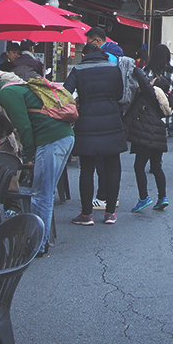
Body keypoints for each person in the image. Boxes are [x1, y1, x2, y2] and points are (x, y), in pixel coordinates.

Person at [0, 73, 74, 255]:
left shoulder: (6, 94)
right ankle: (41, 241)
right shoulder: (13, 87)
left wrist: (30, 154)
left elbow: (23, 125)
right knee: (45, 192)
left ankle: (36, 244)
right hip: (62, 137)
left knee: (41, 194)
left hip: (50, 140)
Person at [63, 44, 126, 225]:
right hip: (111, 119)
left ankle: (86, 214)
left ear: (85, 55)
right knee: (113, 167)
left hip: (87, 120)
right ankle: (110, 213)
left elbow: (66, 92)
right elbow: (119, 94)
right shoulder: (114, 68)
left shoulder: (78, 69)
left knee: (87, 169)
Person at [123, 69, 169, 212]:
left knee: (139, 166)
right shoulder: (164, 101)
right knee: (156, 167)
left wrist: (135, 69)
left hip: (147, 135)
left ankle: (143, 198)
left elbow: (144, 84)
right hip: (158, 136)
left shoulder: (152, 95)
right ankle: (163, 197)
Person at [145, 44, 173, 136]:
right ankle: (170, 129)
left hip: (149, 106)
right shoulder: (170, 71)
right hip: (165, 107)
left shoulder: (147, 70)